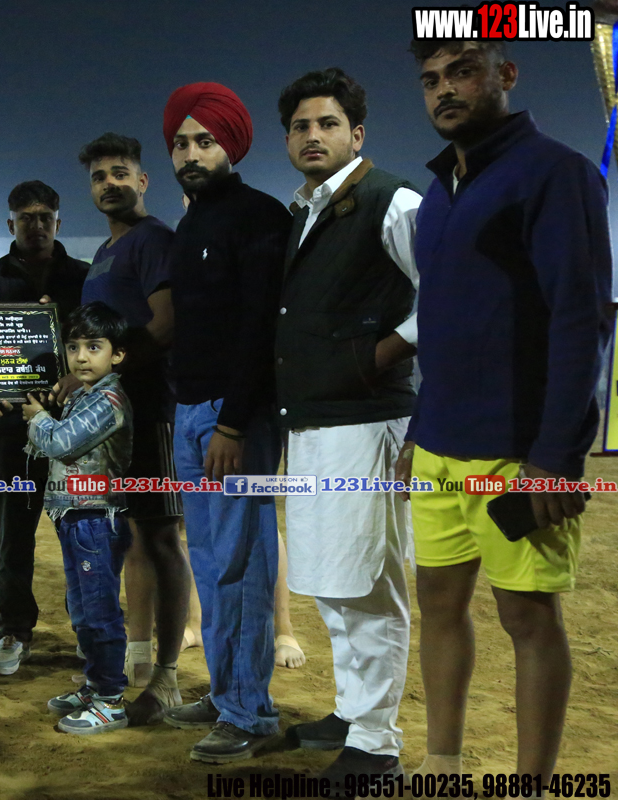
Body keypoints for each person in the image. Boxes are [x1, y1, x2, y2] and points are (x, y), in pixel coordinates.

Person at [396, 39, 612, 778]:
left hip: (516, 453)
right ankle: (442, 765)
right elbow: (443, 325)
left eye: (462, 71)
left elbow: (580, 318)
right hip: (439, 446)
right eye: (431, 79)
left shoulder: (556, 172)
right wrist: (418, 430)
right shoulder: (440, 192)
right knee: (438, 604)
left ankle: (530, 787)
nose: (444, 90)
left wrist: (556, 456)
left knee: (527, 617)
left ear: (505, 75)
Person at [274, 68, 422, 778]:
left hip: (367, 419)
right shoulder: (307, 210)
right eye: (301, 126)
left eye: (328, 124)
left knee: (367, 584)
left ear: (356, 134)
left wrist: (379, 354)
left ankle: (376, 744)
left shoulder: (394, 200)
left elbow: (447, 293)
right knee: (335, 580)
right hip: (315, 419)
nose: (313, 136)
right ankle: (351, 711)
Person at [157, 82, 293, 763]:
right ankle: (225, 693)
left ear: (231, 144)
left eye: (204, 140)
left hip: (234, 421)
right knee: (210, 565)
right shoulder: (191, 224)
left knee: (242, 566)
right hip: (190, 413)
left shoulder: (260, 216)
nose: (190, 153)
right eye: (180, 143)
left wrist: (234, 424)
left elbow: (262, 329)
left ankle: (249, 712)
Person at [75, 132, 189, 720]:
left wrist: (101, 377)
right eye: (99, 176)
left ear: (143, 181)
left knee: (163, 540)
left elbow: (166, 324)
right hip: (117, 424)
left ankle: (167, 677)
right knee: (137, 538)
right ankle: (132, 665)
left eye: (120, 173)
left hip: (153, 415)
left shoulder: (155, 239)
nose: (109, 184)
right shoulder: (105, 251)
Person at [0, 180, 89, 676]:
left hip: (77, 428)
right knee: (13, 539)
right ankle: (14, 629)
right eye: (26, 217)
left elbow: (102, 341)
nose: (37, 225)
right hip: (11, 429)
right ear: (11, 223)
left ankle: (88, 626)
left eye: (45, 217)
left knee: (82, 533)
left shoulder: (85, 277)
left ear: (58, 222)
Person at [26, 302, 134, 735]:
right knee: (83, 608)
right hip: (77, 516)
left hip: (96, 518)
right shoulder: (86, 396)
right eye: (73, 348)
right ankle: (95, 685)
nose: (81, 357)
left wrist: (38, 419)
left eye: (93, 347)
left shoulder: (108, 399)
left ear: (117, 354)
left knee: (99, 610)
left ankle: (110, 700)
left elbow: (61, 443)